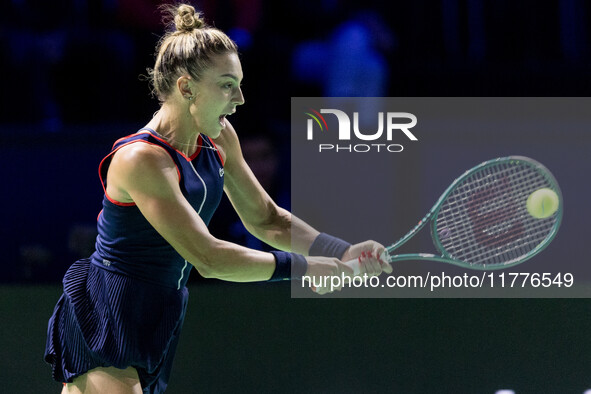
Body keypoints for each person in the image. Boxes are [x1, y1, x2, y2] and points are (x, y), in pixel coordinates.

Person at [44, 4, 391, 393]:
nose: (240, 98)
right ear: (186, 87)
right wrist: (306, 269)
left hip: (163, 309)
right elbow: (208, 257)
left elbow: (268, 220)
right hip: (111, 311)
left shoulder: (220, 137)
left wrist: (341, 252)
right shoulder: (141, 159)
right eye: (227, 84)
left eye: (239, 83)